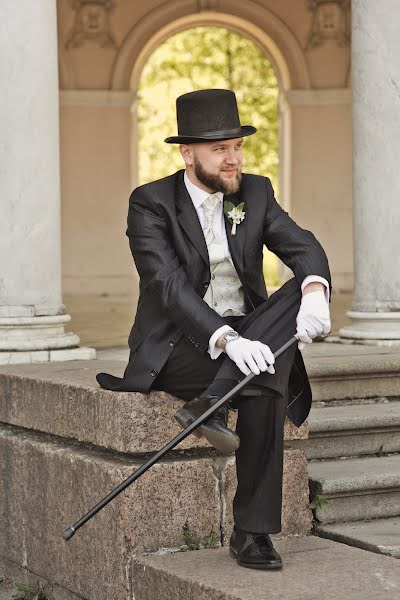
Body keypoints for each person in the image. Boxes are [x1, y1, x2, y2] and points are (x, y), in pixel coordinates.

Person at [97, 89, 331, 570]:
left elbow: (301, 243)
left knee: (295, 293)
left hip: (251, 331)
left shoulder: (256, 192)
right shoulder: (150, 203)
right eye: (219, 149)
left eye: (237, 146)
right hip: (179, 344)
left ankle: (210, 406)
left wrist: (313, 292)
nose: (233, 158)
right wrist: (226, 339)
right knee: (267, 383)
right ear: (188, 153)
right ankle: (252, 535)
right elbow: (168, 287)